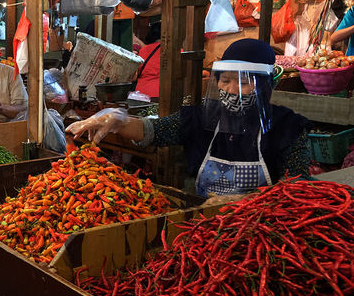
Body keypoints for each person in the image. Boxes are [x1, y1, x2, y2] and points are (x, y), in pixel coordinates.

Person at [66, 39, 310, 198]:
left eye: (244, 83)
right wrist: (118, 120)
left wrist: (244, 202)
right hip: (201, 226)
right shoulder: (202, 117)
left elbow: (298, 190)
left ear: (266, 86)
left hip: (261, 231)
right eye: (225, 81)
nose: (232, 90)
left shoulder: (287, 127)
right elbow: (154, 131)